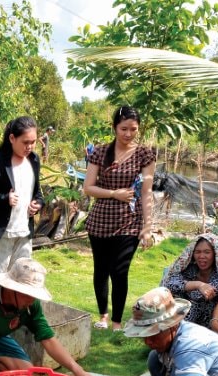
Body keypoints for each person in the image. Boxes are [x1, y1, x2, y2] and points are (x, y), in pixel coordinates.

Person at [82, 105, 156, 330]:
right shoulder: (100, 152)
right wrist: (114, 193)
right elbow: (88, 187)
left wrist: (148, 226)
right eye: (124, 128)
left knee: (120, 270)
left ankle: (116, 322)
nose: (128, 134)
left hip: (129, 221)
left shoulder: (145, 155)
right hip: (101, 219)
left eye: (133, 129)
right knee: (101, 269)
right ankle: (103, 316)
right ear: (115, 127)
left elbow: (146, 192)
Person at [0, 116, 44, 274]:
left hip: (25, 233)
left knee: (21, 281)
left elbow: (37, 192)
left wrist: (38, 203)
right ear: (12, 138)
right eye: (25, 142)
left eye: (33, 142)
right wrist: (4, 198)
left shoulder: (34, 160)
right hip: (2, 233)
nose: (30, 147)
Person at [163, 233, 218, 327]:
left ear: (215, 254)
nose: (201, 256)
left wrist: (186, 285)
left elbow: (199, 295)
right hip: (188, 316)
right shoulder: (191, 268)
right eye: (197, 252)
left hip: (211, 318)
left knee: (192, 305)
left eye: (207, 252)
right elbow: (169, 284)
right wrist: (198, 284)